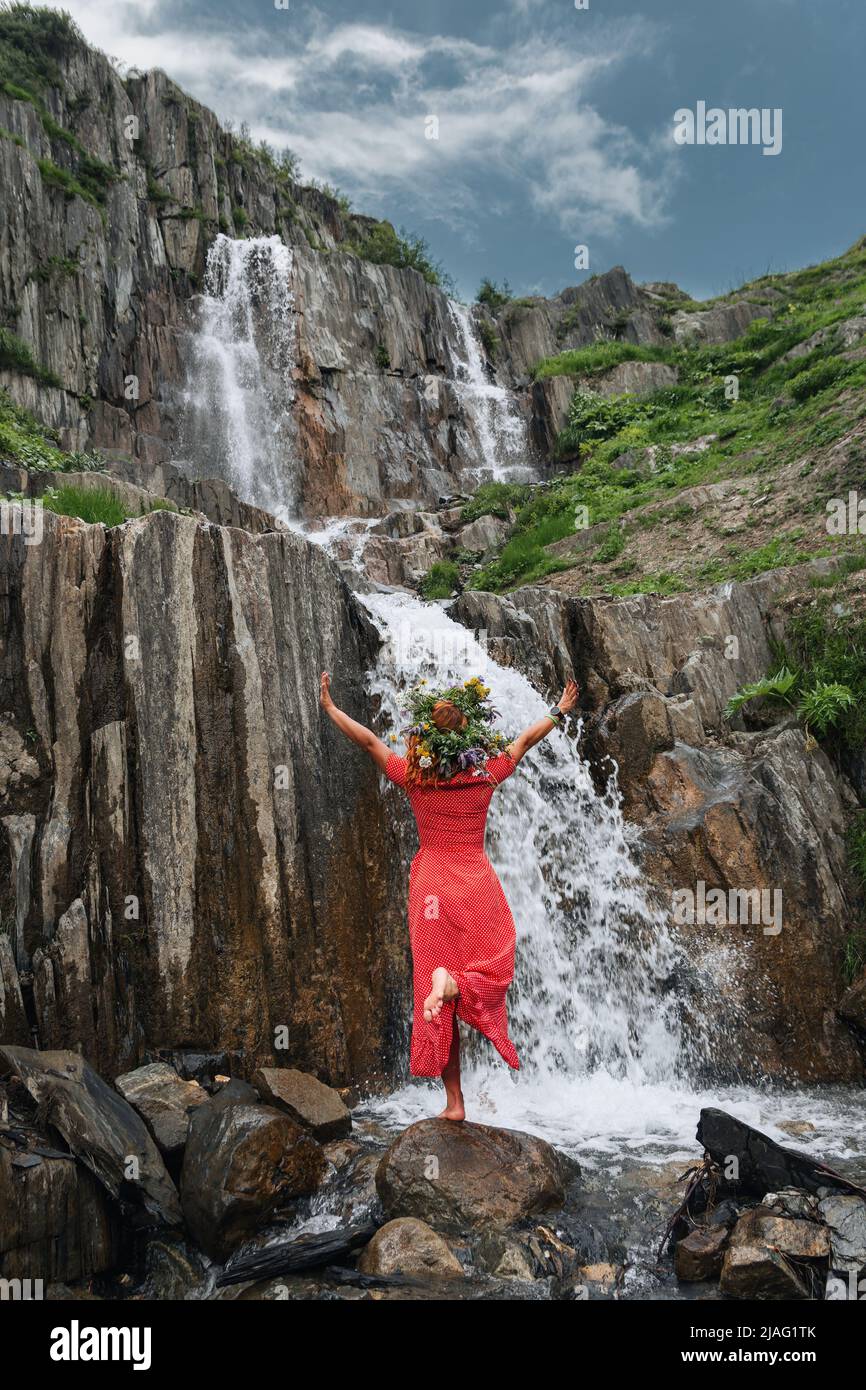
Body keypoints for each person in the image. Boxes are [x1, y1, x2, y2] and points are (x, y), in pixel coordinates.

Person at [320, 670, 579, 1120]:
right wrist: (558, 710)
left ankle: (454, 1102)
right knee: (494, 966)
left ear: (429, 739)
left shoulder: (416, 778)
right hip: (475, 885)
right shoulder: (484, 775)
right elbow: (523, 741)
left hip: (431, 889)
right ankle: (457, 984)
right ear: (467, 736)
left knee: (434, 990)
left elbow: (368, 743)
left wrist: (330, 708)